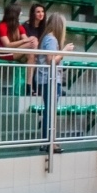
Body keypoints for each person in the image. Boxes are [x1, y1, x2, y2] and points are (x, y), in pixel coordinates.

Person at [36, 13, 73, 153]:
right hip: (50, 79)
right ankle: (49, 142)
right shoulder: (51, 39)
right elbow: (51, 60)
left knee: (49, 111)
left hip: (48, 79)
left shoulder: (47, 38)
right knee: (50, 111)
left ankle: (48, 141)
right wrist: (64, 52)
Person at [23, 3, 46, 91]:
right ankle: (29, 85)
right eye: (38, 12)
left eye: (42, 11)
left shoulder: (44, 27)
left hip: (39, 52)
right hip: (27, 51)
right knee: (33, 55)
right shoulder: (26, 26)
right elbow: (27, 42)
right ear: (33, 14)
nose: (41, 14)